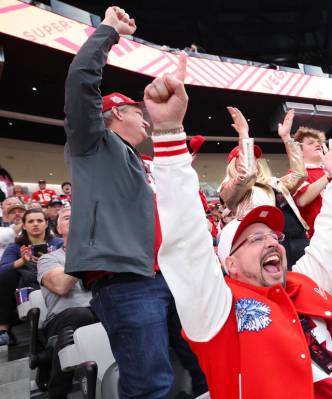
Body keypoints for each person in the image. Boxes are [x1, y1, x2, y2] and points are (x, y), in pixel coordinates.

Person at [147, 63, 332, 398]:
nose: (271, 242)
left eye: (273, 237)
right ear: (229, 264)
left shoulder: (302, 282)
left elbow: (331, 229)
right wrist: (167, 133)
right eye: (255, 237)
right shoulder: (216, 309)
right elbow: (186, 241)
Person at [63, 7, 206, 398]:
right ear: (115, 113)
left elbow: (181, 160)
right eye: (137, 111)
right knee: (151, 388)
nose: (144, 119)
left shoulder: (140, 163)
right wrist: (108, 31)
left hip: (168, 276)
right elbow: (81, 82)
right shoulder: (92, 143)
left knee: (205, 367)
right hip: (127, 282)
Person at [218, 107, 309, 267]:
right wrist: (244, 135)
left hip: (298, 240)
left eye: (255, 158)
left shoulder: (274, 182)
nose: (255, 161)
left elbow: (299, 174)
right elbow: (247, 175)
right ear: (236, 164)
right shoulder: (229, 189)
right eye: (247, 156)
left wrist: (287, 138)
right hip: (268, 247)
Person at [37, 207, 97, 399]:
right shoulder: (49, 258)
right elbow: (62, 286)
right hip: (63, 320)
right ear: (58, 229)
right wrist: (85, 250)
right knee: (80, 314)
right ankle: (57, 393)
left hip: (100, 311)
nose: (76, 220)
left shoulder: (101, 253)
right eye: (68, 218)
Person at [0, 209, 63, 346]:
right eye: (30, 221)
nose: (35, 224)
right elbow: (2, 270)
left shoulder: (58, 243)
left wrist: (50, 258)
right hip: (27, 286)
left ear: (46, 224)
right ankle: (3, 329)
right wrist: (22, 260)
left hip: (55, 282)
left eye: (39, 221)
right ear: (24, 225)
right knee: (7, 274)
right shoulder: (15, 247)